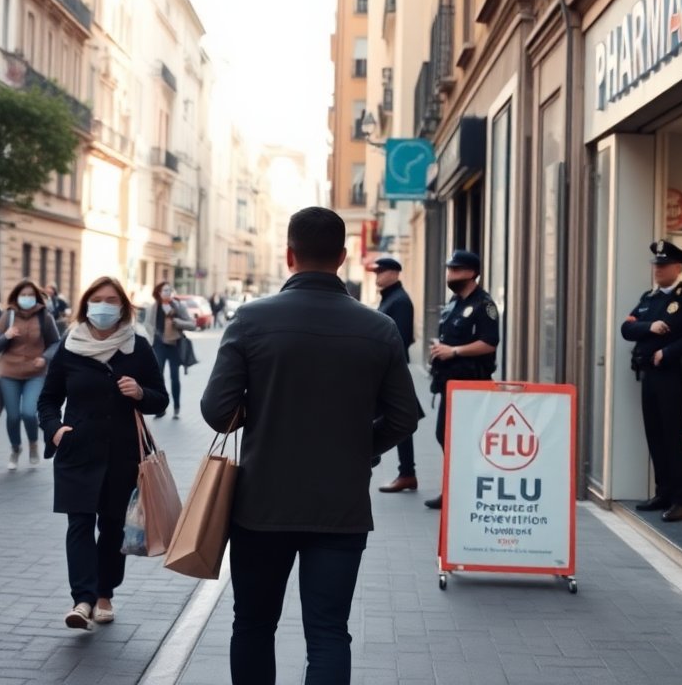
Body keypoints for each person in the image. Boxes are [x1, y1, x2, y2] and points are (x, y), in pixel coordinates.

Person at [202, 207, 421, 683]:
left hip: (261, 505)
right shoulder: (378, 328)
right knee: (328, 632)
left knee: (254, 625)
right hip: (340, 506)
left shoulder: (251, 319)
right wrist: (364, 448)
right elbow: (406, 415)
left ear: (289, 254)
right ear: (343, 258)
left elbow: (216, 411)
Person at [38, 276, 169, 630]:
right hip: (77, 450)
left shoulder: (137, 347)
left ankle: (104, 594)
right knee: (79, 524)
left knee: (111, 528)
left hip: (121, 454)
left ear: (123, 307)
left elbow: (161, 397)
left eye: (112, 300)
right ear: (86, 304)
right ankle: (82, 600)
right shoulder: (69, 346)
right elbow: (48, 399)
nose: (104, 306)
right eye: (98, 299)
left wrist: (141, 392)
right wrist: (55, 431)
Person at [620, 240, 682, 523]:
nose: (657, 269)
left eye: (663, 265)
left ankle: (680, 500)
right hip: (650, 375)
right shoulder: (650, 298)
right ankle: (663, 492)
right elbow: (627, 328)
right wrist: (649, 327)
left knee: (673, 437)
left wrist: (666, 351)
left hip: (673, 375)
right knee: (655, 435)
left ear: (678, 268)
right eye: (655, 265)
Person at [423, 250, 501, 510]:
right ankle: (453, 490)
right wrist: (441, 348)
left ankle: (462, 492)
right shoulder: (455, 301)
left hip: (471, 383)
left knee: (460, 439)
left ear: (471, 273)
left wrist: (454, 351)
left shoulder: (484, 305)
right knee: (446, 436)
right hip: (450, 382)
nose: (450, 275)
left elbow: (489, 343)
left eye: (455, 270)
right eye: (449, 270)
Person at [0, 280, 61, 470]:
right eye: (24, 295)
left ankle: (33, 444)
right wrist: (6, 336)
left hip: (35, 373)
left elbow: (56, 343)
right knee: (13, 416)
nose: (27, 298)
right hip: (8, 373)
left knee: (29, 413)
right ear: (17, 296)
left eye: (30, 295)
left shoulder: (44, 317)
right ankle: (15, 448)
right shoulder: (8, 315)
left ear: (36, 297)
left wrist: (45, 358)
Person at [371, 257, 420, 494]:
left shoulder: (399, 300)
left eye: (381, 271)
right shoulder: (390, 298)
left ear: (395, 273)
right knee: (396, 418)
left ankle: (406, 472)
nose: (377, 276)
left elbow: (401, 338)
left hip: (389, 370)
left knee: (399, 418)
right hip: (385, 369)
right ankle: (406, 472)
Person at [148, 282, 194, 420]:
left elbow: (192, 324)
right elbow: (148, 324)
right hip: (159, 345)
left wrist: (177, 322)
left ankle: (176, 407)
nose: (167, 292)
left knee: (175, 377)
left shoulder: (178, 306)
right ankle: (160, 408)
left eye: (169, 290)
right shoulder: (154, 307)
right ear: (158, 293)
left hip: (174, 346)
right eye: (164, 290)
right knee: (158, 378)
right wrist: (154, 336)